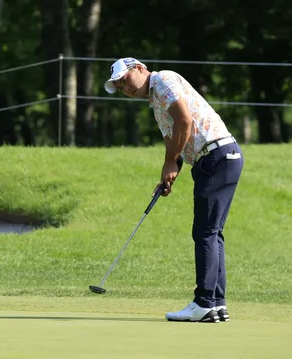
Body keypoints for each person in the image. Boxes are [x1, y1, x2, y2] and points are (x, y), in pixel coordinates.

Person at [103, 57, 244, 323]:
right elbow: (174, 141)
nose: (125, 88)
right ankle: (216, 303)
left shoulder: (162, 79)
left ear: (140, 68)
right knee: (212, 233)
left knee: (205, 232)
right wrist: (170, 170)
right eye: (120, 87)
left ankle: (204, 303)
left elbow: (184, 121)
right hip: (218, 158)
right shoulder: (156, 102)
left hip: (215, 157)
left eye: (125, 80)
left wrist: (171, 162)